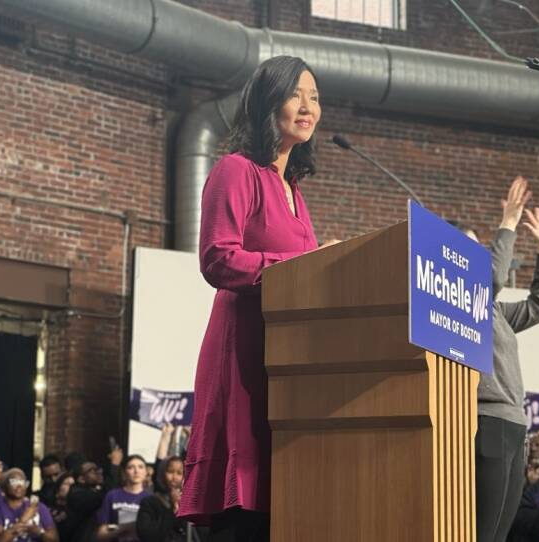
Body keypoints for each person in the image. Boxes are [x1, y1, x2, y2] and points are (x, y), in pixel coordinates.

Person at [179, 54, 334, 542]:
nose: (308, 106)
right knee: (243, 513)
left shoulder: (294, 190)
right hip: (243, 348)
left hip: (285, 356)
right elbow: (217, 258)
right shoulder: (236, 169)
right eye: (297, 94)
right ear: (269, 102)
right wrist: (300, 268)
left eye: (315, 97)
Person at [462, 176, 539, 542]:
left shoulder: (493, 310)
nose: (477, 260)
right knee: (485, 534)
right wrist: (509, 223)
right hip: (488, 419)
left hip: (513, 422)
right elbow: (491, 276)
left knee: (498, 533)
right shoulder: (458, 304)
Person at [137, 456, 206, 542]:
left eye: (179, 473)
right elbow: (147, 535)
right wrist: (173, 510)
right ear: (162, 473)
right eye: (170, 472)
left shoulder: (192, 502)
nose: (174, 477)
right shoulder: (149, 502)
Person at [0, 468, 59, 542]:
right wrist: (23, 520)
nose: (19, 485)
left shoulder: (39, 507)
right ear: (5, 485)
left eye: (22, 482)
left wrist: (39, 531)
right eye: (14, 482)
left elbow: (55, 539)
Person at [96, 455, 151, 541]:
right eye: (131, 467)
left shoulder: (151, 499)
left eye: (140, 467)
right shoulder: (112, 495)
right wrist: (124, 528)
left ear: (146, 472)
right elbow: (101, 533)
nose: (136, 471)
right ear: (124, 472)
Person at [65, 461, 105, 542]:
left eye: (97, 469)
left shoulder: (94, 489)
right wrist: (115, 466)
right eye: (92, 471)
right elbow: (100, 498)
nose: (98, 472)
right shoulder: (77, 494)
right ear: (81, 479)